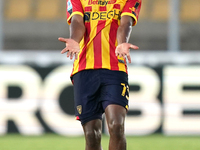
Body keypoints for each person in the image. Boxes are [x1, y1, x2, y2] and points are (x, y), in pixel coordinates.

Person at [59, 0, 141, 150]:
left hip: (115, 69)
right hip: (84, 70)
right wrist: (74, 40)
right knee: (92, 134)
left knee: (116, 125)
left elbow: (125, 23)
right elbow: (77, 21)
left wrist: (122, 42)